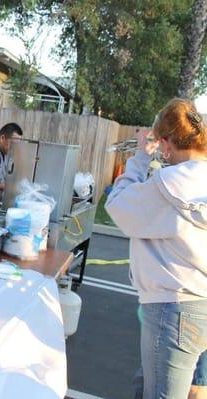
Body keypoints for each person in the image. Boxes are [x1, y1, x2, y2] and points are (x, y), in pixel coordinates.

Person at [105, 98, 207, 399]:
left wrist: (139, 157)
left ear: (165, 143)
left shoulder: (169, 183)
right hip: (201, 303)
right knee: (177, 387)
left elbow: (119, 206)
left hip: (172, 308)